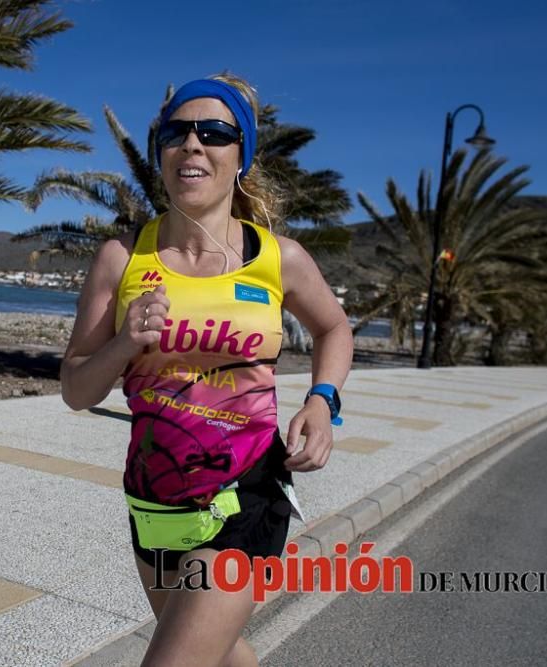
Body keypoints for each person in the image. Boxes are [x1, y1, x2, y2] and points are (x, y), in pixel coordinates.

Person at [60, 74, 353, 667]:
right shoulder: (122, 259)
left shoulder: (278, 258)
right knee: (213, 653)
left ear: (240, 156)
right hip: (154, 498)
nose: (193, 144)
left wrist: (322, 401)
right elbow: (75, 387)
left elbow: (334, 328)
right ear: (160, 154)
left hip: (245, 495)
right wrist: (122, 345)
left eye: (214, 133)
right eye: (176, 132)